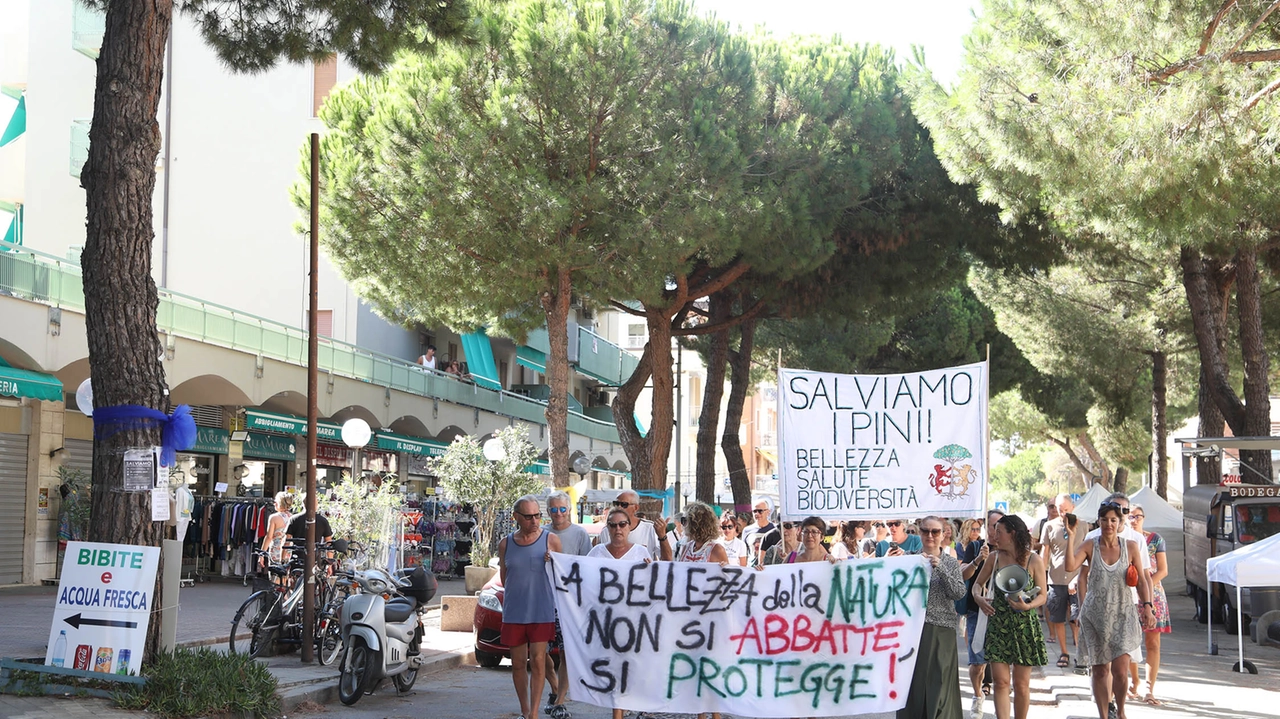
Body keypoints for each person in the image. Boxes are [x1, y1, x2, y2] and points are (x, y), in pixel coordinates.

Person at [1066, 502, 1156, 719]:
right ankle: (1104, 714)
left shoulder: (1131, 547)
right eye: (1104, 519)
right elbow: (1070, 567)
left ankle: (1122, 710)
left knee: (1120, 669)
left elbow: (1143, 580)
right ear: (1099, 521)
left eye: (1113, 520)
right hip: (1095, 616)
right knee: (1100, 670)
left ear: (1120, 522)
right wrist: (1071, 537)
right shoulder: (1090, 545)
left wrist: (1148, 607)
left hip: (1124, 613)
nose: (1109, 524)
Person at [971, 514, 1048, 719]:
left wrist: (1028, 605)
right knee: (1001, 681)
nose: (994, 536)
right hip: (999, 624)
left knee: (1022, 684)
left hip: (1025, 625)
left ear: (1012, 534)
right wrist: (978, 598)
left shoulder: (1034, 559)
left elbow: (1043, 595)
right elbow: (977, 584)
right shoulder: (994, 558)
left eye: (999, 532)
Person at [498, 495, 563, 719]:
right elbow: (505, 578)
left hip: (541, 610)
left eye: (537, 515)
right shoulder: (506, 543)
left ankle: (533, 714)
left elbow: (562, 576)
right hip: (514, 612)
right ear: (516, 517)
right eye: (528, 516)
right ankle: (525, 711)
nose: (534, 521)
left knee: (537, 660)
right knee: (517, 664)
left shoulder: (551, 540)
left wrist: (553, 561)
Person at [900, 515, 967, 719]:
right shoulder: (908, 559)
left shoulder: (949, 562)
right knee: (913, 686)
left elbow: (958, 593)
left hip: (941, 630)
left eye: (935, 531)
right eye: (926, 531)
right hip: (912, 631)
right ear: (919, 533)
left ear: (943, 534)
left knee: (940, 685)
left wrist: (942, 568)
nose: (930, 535)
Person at [676, 501, 728, 719]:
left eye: (687, 520)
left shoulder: (715, 549)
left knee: (709, 669)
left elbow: (728, 581)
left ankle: (714, 714)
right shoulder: (686, 547)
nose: (684, 524)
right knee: (694, 669)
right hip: (688, 616)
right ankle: (700, 714)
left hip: (709, 618)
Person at [543, 491, 591, 719]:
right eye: (554, 509)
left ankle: (561, 700)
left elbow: (587, 568)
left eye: (563, 509)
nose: (559, 513)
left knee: (566, 653)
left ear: (569, 509)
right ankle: (554, 688)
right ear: (548, 511)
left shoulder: (580, 534)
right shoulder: (541, 534)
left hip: (569, 603)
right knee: (539, 654)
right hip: (543, 601)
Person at [1126, 504, 1170, 707]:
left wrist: (1146, 586)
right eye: (1130, 516)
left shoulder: (1155, 540)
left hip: (1153, 593)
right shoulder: (1123, 540)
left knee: (1153, 642)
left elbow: (1163, 570)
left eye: (1138, 516)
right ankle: (1134, 681)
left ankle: (1149, 688)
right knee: (1130, 642)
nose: (1134, 520)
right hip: (1128, 595)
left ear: (1143, 518)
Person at [961, 509, 1003, 719]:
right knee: (977, 663)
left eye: (1000, 525)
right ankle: (978, 696)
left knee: (1000, 663)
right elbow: (963, 575)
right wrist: (978, 560)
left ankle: (1001, 706)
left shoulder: (1012, 550)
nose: (997, 530)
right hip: (977, 611)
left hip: (1001, 613)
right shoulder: (977, 547)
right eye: (993, 525)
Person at [1041, 493, 1082, 668]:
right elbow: (1045, 553)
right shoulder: (1049, 526)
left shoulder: (1084, 526)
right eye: (1059, 509)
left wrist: (1081, 577)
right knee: (1057, 617)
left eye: (1066, 509)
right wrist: (1040, 577)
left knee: (1077, 617)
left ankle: (1080, 651)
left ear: (1072, 507)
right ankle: (1064, 652)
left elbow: (1089, 553)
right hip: (1056, 578)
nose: (1063, 512)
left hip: (1078, 578)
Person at [602, 490, 672, 560]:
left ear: (636, 508)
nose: (619, 507)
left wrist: (662, 536)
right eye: (616, 504)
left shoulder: (650, 528)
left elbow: (667, 559)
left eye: (624, 504)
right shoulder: (606, 530)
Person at [588, 508, 653, 562]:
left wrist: (648, 568)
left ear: (629, 527)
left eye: (622, 524)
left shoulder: (641, 551)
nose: (618, 528)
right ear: (608, 528)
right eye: (613, 525)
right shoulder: (597, 551)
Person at [742, 499, 780, 568]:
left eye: (760, 511)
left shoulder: (776, 529)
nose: (757, 514)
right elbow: (744, 553)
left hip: (771, 568)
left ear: (768, 512)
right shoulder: (747, 530)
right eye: (754, 511)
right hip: (752, 569)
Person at [261, 492, 293, 566]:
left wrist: (261, 554)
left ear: (280, 503)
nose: (274, 503)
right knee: (286, 576)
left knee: (275, 575)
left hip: (276, 552)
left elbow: (269, 537)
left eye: (275, 502)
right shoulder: (292, 518)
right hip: (288, 553)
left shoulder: (274, 518)